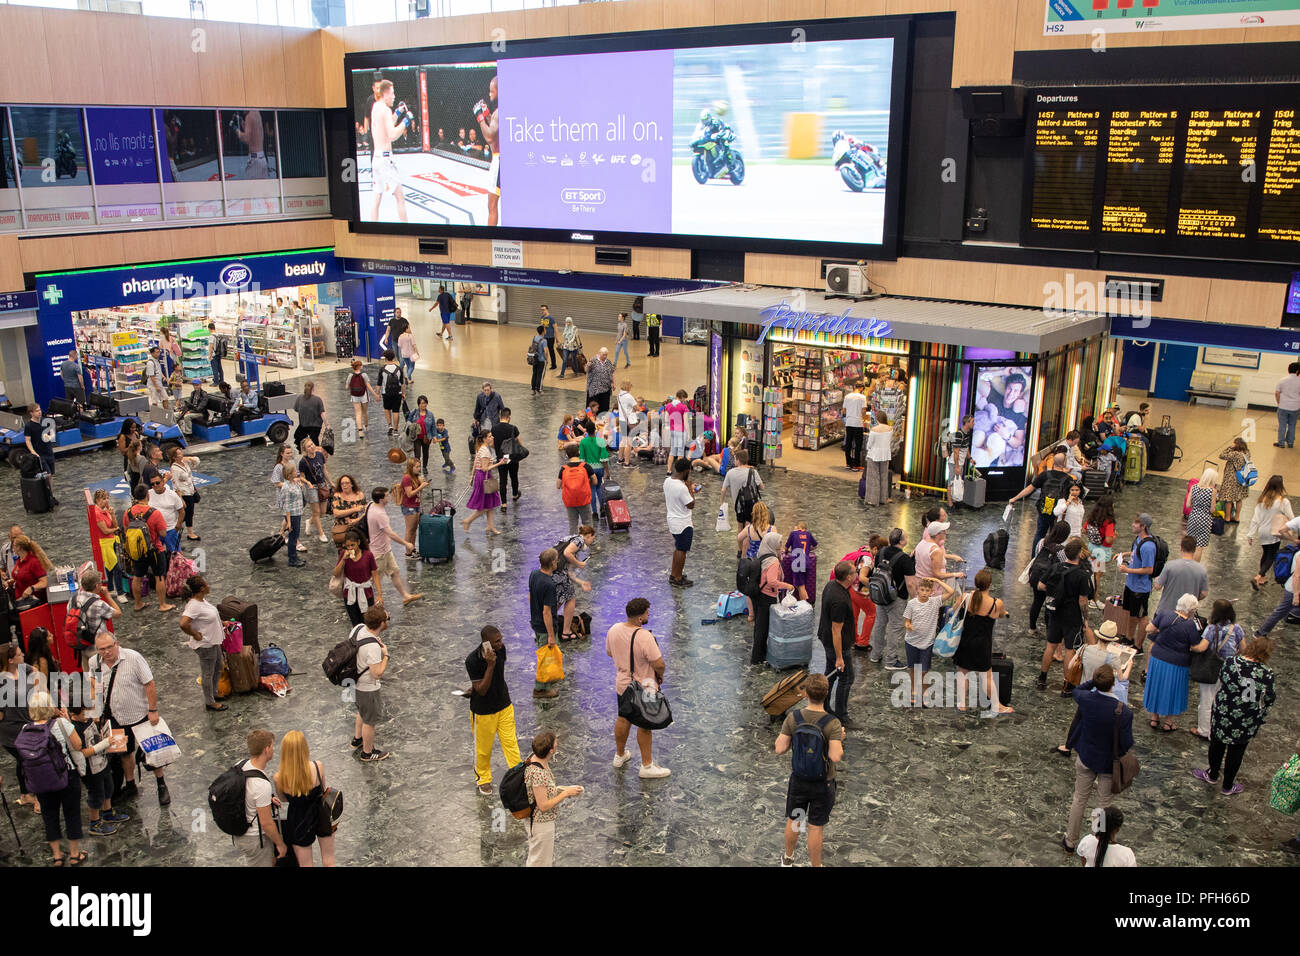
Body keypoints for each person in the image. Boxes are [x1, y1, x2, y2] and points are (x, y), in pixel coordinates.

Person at [89, 632, 170, 806]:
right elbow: (94, 687)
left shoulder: (133, 658)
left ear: (117, 644)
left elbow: (149, 683)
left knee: (152, 750)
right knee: (124, 753)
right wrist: (96, 711)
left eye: (110, 647)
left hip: (139, 715)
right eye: (102, 649)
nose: (107, 652)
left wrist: (153, 710)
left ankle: (161, 784)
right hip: (115, 717)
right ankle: (130, 784)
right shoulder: (94, 663)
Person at [1062, 664, 1134, 853]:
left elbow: (1076, 688)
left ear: (1097, 682)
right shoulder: (1124, 712)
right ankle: (1098, 843)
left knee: (1079, 799)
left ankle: (1071, 841)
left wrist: (1094, 680)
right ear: (1113, 683)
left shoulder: (1085, 699)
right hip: (1109, 764)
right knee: (1103, 805)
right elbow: (1127, 743)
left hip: (1086, 756)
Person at [775, 672, 844, 867]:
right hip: (823, 783)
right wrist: (841, 739)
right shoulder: (833, 723)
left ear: (805, 694)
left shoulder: (793, 718)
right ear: (826, 693)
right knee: (815, 827)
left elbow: (779, 748)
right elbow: (835, 756)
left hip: (799, 780)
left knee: (795, 820)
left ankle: (788, 859)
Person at [1193, 636, 1277, 796]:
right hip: (1247, 718)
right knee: (1236, 751)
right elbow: (1269, 697)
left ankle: (1212, 774)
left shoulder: (1232, 663)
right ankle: (1227, 786)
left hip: (1224, 711)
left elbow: (1223, 679)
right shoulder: (1267, 673)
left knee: (1216, 744)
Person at [606, 597, 669, 778]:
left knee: (623, 718)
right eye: (647, 612)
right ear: (640, 618)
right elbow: (658, 663)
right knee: (645, 724)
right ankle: (647, 766)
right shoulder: (645, 637)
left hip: (623, 684)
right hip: (647, 687)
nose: (649, 614)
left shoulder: (614, 629)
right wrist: (661, 676)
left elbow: (610, 652)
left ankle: (619, 756)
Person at [22, 691, 86, 865]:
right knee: (72, 814)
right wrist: (69, 722)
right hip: (66, 775)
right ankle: (74, 854)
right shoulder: (61, 723)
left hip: (41, 780)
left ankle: (57, 856)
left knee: (49, 817)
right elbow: (78, 745)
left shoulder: (26, 729)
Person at [466, 625, 522, 795]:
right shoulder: (473, 660)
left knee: (511, 743)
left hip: (504, 705)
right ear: (486, 643)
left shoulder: (501, 650)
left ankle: (519, 775)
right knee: (483, 749)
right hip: (483, 711)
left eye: (501, 639)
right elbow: (481, 690)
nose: (501, 644)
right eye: (497, 641)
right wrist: (490, 665)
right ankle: (483, 779)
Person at [1143, 593, 1211, 732]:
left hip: (1157, 658)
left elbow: (1148, 629)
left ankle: (1154, 718)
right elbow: (1195, 646)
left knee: (1156, 686)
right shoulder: (1190, 626)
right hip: (1177, 663)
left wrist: (1159, 629)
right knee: (1172, 690)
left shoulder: (1164, 614)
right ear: (1191, 610)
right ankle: (1168, 722)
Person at [1039, 539, 1096, 694]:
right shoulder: (1082, 575)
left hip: (1055, 612)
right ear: (1079, 554)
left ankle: (1042, 679)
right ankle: (1068, 685)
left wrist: (1055, 592)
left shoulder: (1056, 567)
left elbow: (1041, 585)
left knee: (1050, 646)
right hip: (1072, 616)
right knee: (1070, 650)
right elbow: (1083, 600)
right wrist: (1085, 618)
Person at [954, 569, 1014, 714]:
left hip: (965, 641)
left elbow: (955, 610)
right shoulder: (996, 603)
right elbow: (1000, 614)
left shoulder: (965, 597)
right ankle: (996, 705)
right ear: (990, 584)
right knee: (986, 676)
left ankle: (962, 703)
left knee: (963, 673)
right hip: (982, 644)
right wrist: (1005, 614)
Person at [274, 731, 336, 866]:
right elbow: (323, 790)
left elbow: (283, 799)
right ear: (304, 748)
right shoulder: (317, 766)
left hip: (298, 819)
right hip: (321, 814)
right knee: (329, 860)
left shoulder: (279, 777)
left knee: (305, 864)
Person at [522, 731, 583, 867]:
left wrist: (566, 789)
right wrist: (565, 794)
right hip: (541, 823)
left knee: (538, 857)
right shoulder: (539, 774)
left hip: (536, 820)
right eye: (556, 743)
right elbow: (543, 805)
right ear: (551, 751)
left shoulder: (534, 759)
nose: (558, 744)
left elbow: (545, 790)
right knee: (540, 861)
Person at [1190, 599, 1243, 740]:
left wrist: (1191, 647)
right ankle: (1220, 728)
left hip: (1211, 668)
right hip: (1230, 669)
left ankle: (1205, 731)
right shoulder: (1236, 628)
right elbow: (1243, 649)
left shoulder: (1212, 628)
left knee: (1207, 701)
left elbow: (1202, 647)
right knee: (1222, 701)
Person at [235, 729, 289, 865]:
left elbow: (245, 791)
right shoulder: (261, 785)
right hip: (254, 839)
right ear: (266, 749)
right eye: (272, 746)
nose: (273, 749)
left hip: (239, 832)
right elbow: (266, 823)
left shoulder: (241, 765)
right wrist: (280, 844)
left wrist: (267, 799)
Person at [868, 528, 917, 671]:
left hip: (880, 595)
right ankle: (891, 661)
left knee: (880, 624)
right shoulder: (904, 559)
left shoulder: (881, 552)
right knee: (895, 628)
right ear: (902, 541)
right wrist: (914, 601)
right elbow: (910, 583)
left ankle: (875, 655)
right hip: (896, 599)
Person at [903, 576, 955, 708]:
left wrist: (936, 581)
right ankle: (914, 690)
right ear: (918, 590)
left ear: (931, 591)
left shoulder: (935, 602)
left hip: (927, 643)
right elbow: (907, 621)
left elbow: (951, 592)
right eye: (922, 589)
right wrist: (908, 625)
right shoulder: (912, 604)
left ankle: (925, 692)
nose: (925, 592)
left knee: (924, 670)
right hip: (911, 642)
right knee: (912, 668)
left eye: (927, 590)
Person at [0, 643, 41, 812]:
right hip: (12, 730)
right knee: (31, 761)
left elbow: (36, 673)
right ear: (10, 660)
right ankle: (38, 797)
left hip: (28, 722)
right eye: (19, 654)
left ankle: (25, 795)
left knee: (23, 761)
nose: (23, 654)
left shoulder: (24, 668)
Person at [366, 487, 422, 605]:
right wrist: (406, 543)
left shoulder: (371, 505)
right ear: (381, 499)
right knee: (374, 580)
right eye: (387, 496)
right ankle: (368, 603)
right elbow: (391, 534)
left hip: (385, 549)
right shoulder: (379, 514)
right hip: (379, 552)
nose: (389, 497)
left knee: (394, 572)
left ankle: (405, 596)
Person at [178, 575, 227, 712]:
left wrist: (222, 623)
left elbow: (209, 617)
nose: (208, 586)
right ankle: (210, 702)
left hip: (213, 641)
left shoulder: (202, 601)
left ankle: (214, 693)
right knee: (208, 673)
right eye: (206, 584)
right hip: (206, 645)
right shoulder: (193, 606)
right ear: (201, 589)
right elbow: (183, 623)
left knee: (218, 667)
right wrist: (194, 634)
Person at [1009, 452, 1075, 552]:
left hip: (1044, 508)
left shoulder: (1045, 475)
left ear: (1053, 462)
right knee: (1056, 535)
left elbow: (1029, 489)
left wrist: (1014, 498)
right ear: (1064, 463)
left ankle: (1035, 556)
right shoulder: (1068, 479)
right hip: (1058, 512)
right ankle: (1051, 556)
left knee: (1040, 533)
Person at [122, 486, 173, 612]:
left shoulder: (128, 512)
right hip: (154, 550)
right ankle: (162, 604)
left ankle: (138, 603)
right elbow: (163, 534)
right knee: (159, 576)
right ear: (147, 495)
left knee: (137, 577)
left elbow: (125, 531)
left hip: (137, 551)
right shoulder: (154, 513)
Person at [818, 561, 857, 721]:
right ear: (848, 577)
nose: (857, 574)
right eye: (854, 572)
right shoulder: (839, 600)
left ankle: (824, 706)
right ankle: (842, 715)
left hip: (826, 637)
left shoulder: (831, 585)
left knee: (831, 674)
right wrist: (840, 657)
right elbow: (836, 631)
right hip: (836, 644)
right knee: (846, 677)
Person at [351, 605, 391, 761]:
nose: (388, 620)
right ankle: (367, 752)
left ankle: (357, 739)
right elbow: (376, 674)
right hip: (367, 688)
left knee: (362, 711)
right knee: (370, 721)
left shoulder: (358, 628)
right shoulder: (373, 647)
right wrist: (386, 655)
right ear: (381, 623)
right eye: (387, 618)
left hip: (354, 681)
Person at [368, 79, 410, 221]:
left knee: (376, 198)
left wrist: (398, 113)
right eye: (392, 93)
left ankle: (372, 232)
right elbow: (391, 135)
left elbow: (386, 125)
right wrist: (405, 122)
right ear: (385, 94)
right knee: (400, 198)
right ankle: (407, 233)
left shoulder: (376, 107)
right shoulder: (385, 110)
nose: (394, 96)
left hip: (377, 158)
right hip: (385, 160)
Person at [751, 531, 796, 666]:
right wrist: (787, 585)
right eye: (779, 542)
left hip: (758, 595)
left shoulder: (762, 554)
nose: (780, 544)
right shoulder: (773, 561)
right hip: (767, 597)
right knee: (763, 628)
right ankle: (758, 657)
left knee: (759, 626)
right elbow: (771, 581)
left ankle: (758, 654)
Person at [1116, 513, 1158, 649]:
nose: (1132, 525)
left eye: (1136, 523)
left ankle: (1138, 646)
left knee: (1142, 616)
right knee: (1131, 613)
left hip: (1140, 588)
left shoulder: (1148, 547)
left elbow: (1148, 569)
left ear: (1143, 526)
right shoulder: (1138, 539)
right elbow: (1135, 552)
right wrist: (1124, 554)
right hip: (1131, 585)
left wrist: (1127, 570)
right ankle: (1129, 638)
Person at [67, 569, 121, 671]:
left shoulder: (73, 598)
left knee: (89, 676)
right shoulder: (98, 604)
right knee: (102, 677)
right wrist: (107, 596)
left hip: (81, 644)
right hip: (98, 648)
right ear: (97, 586)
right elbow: (118, 613)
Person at [1246, 475, 1292, 591]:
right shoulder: (1283, 501)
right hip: (1274, 532)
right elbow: (1291, 517)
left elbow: (1255, 519)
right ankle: (1259, 576)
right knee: (1272, 556)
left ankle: (1262, 577)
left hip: (1262, 531)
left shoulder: (1262, 499)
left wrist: (1250, 534)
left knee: (1265, 553)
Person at [1254, 524, 1300, 637]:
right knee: (1280, 611)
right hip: (1293, 589)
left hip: (1294, 588)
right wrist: (1295, 595)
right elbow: (1296, 576)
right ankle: (1261, 632)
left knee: (1284, 610)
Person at [529, 549, 561, 700]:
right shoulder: (549, 584)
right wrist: (550, 635)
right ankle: (540, 689)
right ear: (553, 563)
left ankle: (547, 681)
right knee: (545, 657)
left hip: (535, 622)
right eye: (556, 559)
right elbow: (546, 612)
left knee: (545, 655)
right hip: (544, 626)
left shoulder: (534, 574)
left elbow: (531, 596)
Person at [554, 527, 596, 642]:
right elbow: (567, 553)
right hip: (557, 572)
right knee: (571, 597)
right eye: (593, 538)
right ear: (589, 535)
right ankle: (566, 632)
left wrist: (582, 582)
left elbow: (569, 574)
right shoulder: (579, 540)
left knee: (560, 599)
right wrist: (579, 564)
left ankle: (546, 626)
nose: (592, 541)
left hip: (552, 570)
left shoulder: (571, 538)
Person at [1152, 535, 1208, 618]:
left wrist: (1156, 579)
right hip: (1186, 615)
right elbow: (1204, 593)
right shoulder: (1201, 570)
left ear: (1181, 548)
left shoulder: (1170, 566)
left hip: (1165, 613)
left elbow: (1157, 586)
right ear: (1195, 549)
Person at [462, 432, 505, 537]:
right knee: (484, 506)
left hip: (481, 477)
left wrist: (472, 476)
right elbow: (484, 468)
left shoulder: (481, 448)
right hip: (484, 478)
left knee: (490, 503)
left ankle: (490, 526)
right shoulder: (485, 450)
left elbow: (476, 464)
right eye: (490, 436)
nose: (492, 437)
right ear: (485, 439)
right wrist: (500, 463)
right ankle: (467, 521)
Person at [664, 457, 696, 588]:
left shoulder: (667, 481)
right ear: (685, 471)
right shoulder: (682, 488)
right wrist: (690, 490)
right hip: (683, 523)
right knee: (682, 551)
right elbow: (691, 504)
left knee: (678, 548)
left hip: (672, 519)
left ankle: (674, 574)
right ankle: (677, 578)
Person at [22, 403, 57, 507]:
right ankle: (48, 496)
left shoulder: (46, 421)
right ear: (31, 413)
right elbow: (27, 440)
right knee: (48, 474)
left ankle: (51, 495)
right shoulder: (29, 426)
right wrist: (33, 452)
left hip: (49, 452)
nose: (39, 412)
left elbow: (52, 434)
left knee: (51, 476)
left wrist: (50, 437)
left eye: (40, 410)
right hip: (40, 454)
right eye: (37, 411)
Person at [165, 446, 202, 543]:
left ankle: (178, 529)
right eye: (179, 454)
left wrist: (188, 458)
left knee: (189, 513)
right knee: (188, 513)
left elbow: (197, 461)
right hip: (184, 493)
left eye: (181, 452)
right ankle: (188, 532)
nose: (181, 455)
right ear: (174, 457)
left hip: (191, 490)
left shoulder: (184, 463)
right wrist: (180, 498)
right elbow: (175, 484)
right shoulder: (174, 468)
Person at [558, 443, 597, 535]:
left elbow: (558, 485)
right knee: (587, 522)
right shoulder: (585, 466)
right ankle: (589, 542)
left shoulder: (563, 469)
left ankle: (573, 543)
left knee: (573, 524)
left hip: (570, 501)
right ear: (579, 453)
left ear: (567, 455)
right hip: (583, 499)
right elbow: (595, 481)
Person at [1084, 495, 1117, 602]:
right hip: (1102, 551)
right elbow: (1108, 540)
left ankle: (1087, 593)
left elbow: (1084, 530)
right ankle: (1094, 599)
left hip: (1092, 547)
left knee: (1091, 572)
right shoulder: (1109, 521)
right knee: (1097, 575)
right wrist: (1114, 537)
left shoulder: (1092, 516)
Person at [277, 461, 308, 569]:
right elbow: (286, 505)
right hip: (292, 515)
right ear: (290, 474)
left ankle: (295, 556)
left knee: (296, 535)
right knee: (293, 537)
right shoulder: (286, 487)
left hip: (297, 512)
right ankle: (292, 558)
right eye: (295, 470)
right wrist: (288, 522)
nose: (297, 472)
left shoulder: (294, 482)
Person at [8, 534, 52, 607]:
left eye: (14, 545)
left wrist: (32, 588)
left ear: (19, 547)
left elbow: (44, 582)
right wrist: (12, 581)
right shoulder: (20, 560)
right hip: (20, 601)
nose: (12, 548)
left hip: (33, 603)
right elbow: (22, 575)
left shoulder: (34, 562)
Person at [577, 414, 609, 515]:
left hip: (589, 470)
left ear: (586, 430)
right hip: (600, 469)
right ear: (595, 429)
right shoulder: (601, 441)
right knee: (599, 488)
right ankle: (602, 508)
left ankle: (594, 511)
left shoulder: (583, 442)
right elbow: (604, 459)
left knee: (591, 490)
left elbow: (581, 458)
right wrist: (607, 471)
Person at [720, 447, 764, 519]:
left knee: (740, 526)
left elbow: (723, 490)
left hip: (738, 506)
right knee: (750, 524)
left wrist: (721, 503)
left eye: (734, 459)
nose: (734, 461)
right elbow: (762, 488)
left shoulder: (730, 473)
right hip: (752, 504)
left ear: (738, 460)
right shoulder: (753, 472)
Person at [491, 407, 522, 511]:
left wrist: (499, 451)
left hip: (501, 459)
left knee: (502, 480)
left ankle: (503, 504)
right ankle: (514, 495)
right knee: (514, 477)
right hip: (512, 458)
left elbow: (493, 444)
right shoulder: (513, 428)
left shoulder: (494, 429)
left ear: (500, 416)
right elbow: (519, 443)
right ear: (509, 417)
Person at [396, 457, 427, 557]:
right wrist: (421, 487)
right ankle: (408, 552)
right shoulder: (407, 478)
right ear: (411, 467)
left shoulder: (415, 476)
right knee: (409, 530)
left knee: (414, 529)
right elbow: (409, 494)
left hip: (416, 505)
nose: (419, 469)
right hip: (409, 506)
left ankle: (413, 549)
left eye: (419, 466)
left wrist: (422, 483)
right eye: (417, 467)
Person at [863, 410, 893, 505]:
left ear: (877, 419)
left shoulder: (874, 430)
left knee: (873, 477)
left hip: (874, 454)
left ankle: (873, 499)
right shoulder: (890, 429)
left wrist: (868, 449)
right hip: (885, 454)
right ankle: (883, 498)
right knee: (884, 476)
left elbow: (869, 444)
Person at [1216, 438, 1250, 524]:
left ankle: (1227, 518)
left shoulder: (1235, 454)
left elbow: (1221, 455)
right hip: (1242, 479)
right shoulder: (1247, 453)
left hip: (1232, 479)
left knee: (1229, 499)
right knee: (1239, 499)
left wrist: (1229, 448)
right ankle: (1237, 517)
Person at [784, 522, 819, 603]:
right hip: (806, 563)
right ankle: (803, 604)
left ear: (797, 527)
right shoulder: (808, 534)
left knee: (801, 587)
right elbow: (816, 545)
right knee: (799, 585)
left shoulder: (793, 534)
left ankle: (806, 606)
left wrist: (786, 552)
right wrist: (808, 550)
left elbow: (786, 547)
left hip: (797, 563)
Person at [347, 358, 381, 439]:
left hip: (354, 396)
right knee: (364, 412)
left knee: (358, 413)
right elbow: (368, 386)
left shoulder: (350, 375)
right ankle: (365, 426)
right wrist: (375, 394)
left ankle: (360, 431)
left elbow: (346, 386)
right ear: (359, 367)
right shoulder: (364, 375)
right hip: (363, 395)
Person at [330, 475, 367, 549]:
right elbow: (336, 513)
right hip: (342, 529)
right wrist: (355, 509)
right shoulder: (337, 496)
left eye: (347, 483)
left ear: (352, 484)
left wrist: (356, 520)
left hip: (358, 526)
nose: (344, 485)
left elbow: (366, 511)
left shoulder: (360, 495)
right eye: (342, 484)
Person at [377, 349, 406, 437]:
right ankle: (396, 430)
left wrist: (377, 394)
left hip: (386, 393)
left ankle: (390, 425)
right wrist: (403, 393)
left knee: (387, 409)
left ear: (385, 358)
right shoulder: (399, 369)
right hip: (397, 393)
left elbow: (379, 383)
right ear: (393, 358)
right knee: (396, 411)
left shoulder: (382, 369)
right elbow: (402, 383)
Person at [292, 381, 326, 450]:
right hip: (316, 426)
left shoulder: (299, 398)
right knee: (314, 441)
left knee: (298, 436)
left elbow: (296, 409)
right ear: (313, 389)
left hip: (303, 425)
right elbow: (322, 413)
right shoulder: (318, 400)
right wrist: (327, 425)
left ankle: (303, 450)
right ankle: (316, 453)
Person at [841, 381, 867, 470]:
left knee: (848, 443)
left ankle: (848, 463)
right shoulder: (862, 397)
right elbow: (863, 410)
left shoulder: (847, 396)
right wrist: (862, 418)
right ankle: (856, 465)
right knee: (858, 444)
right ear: (861, 388)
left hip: (849, 422)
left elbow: (843, 410)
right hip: (858, 423)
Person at [407, 396, 436, 473]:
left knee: (426, 453)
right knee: (417, 454)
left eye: (425, 403)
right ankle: (417, 468)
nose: (424, 405)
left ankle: (424, 467)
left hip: (427, 437)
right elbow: (408, 420)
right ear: (419, 404)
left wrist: (434, 436)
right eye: (422, 403)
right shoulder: (414, 413)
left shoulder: (430, 414)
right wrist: (411, 426)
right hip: (417, 437)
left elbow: (433, 426)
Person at [1275, 361, 1300, 448]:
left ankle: (1281, 443)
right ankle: (1290, 443)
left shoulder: (1282, 380)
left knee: (1282, 425)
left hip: (1283, 406)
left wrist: (1279, 402)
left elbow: (1277, 393)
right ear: (1297, 371)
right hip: (1295, 407)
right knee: (1292, 425)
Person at [586, 347, 615, 413]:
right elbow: (587, 370)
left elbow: (612, 372)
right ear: (599, 353)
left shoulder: (608, 362)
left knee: (604, 408)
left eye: (606, 355)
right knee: (593, 409)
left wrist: (614, 383)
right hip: (594, 390)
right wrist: (587, 366)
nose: (605, 356)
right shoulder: (593, 360)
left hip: (605, 389)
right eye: (603, 355)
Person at [617, 382, 639, 466]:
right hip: (629, 420)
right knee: (629, 442)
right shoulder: (629, 396)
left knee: (623, 440)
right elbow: (637, 408)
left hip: (622, 419)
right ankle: (627, 462)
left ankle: (620, 459)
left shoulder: (619, 395)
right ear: (628, 386)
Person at [144, 345, 169, 411]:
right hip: (153, 385)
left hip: (159, 384)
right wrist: (156, 386)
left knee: (165, 398)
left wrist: (163, 376)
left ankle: (166, 412)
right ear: (152, 353)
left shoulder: (157, 361)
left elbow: (158, 371)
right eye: (157, 352)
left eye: (159, 352)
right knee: (155, 401)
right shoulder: (150, 363)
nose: (158, 354)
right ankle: (155, 414)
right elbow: (152, 375)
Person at [530, 326, 547, 394]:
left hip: (534, 359)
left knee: (534, 373)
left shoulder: (535, 338)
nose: (545, 330)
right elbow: (546, 351)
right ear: (543, 331)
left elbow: (532, 346)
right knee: (540, 375)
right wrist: (546, 359)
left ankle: (533, 389)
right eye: (545, 329)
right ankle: (539, 389)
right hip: (541, 360)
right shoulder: (544, 340)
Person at [539, 303, 557, 369]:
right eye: (541, 310)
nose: (542, 311)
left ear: (547, 310)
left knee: (551, 351)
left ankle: (554, 365)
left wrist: (557, 338)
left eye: (543, 310)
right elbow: (542, 327)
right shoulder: (542, 318)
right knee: (543, 350)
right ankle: (543, 362)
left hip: (550, 337)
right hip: (544, 337)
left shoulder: (551, 318)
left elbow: (555, 328)